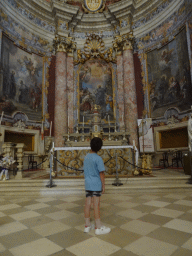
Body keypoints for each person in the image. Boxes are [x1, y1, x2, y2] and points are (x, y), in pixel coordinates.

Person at [83, 137, 111, 235]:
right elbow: (101, 174)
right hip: (96, 184)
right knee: (96, 204)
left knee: (87, 204)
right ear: (99, 147)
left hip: (88, 183)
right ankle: (98, 227)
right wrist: (103, 185)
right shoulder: (98, 158)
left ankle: (87, 225)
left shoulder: (86, 157)